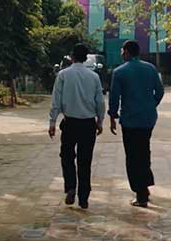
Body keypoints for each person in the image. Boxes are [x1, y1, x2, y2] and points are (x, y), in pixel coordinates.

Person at [108, 40, 164, 207]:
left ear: (126, 52)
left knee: (132, 156)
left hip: (130, 120)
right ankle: (145, 187)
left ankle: (141, 194)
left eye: (122, 51)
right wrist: (150, 105)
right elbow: (160, 91)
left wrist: (112, 116)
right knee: (144, 152)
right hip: (147, 119)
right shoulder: (150, 68)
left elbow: (114, 97)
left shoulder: (119, 72)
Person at [48, 44, 105, 209]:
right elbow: (100, 102)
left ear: (72, 57)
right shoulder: (94, 76)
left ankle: (71, 187)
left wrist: (52, 123)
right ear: (86, 58)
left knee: (67, 157)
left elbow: (55, 101)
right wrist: (100, 122)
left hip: (70, 123)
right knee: (85, 161)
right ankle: (84, 197)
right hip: (88, 124)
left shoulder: (63, 75)